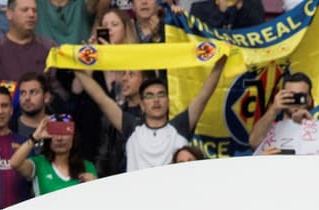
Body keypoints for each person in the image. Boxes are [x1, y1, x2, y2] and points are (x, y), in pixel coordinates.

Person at [75, 59, 228, 172]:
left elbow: (204, 95)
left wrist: (221, 62)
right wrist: (73, 64)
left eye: (161, 95)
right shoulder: (131, 127)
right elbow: (101, 99)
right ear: (141, 103)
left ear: (168, 100)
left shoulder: (180, 127)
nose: (156, 100)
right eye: (149, 96)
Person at [250, 73, 319, 157]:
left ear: (309, 99)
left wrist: (311, 124)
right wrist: (273, 109)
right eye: (290, 96)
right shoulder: (270, 126)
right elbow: (254, 142)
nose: (295, 101)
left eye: (300, 96)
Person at [9, 115, 97, 196]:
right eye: (54, 132)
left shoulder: (88, 166)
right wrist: (35, 136)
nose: (59, 138)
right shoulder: (39, 163)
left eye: (64, 132)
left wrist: (95, 187)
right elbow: (14, 163)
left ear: (74, 136)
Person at [0, 0, 54, 81]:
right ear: (9, 14)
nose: (31, 15)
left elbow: (56, 86)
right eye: (25, 10)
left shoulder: (49, 46)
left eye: (34, 10)